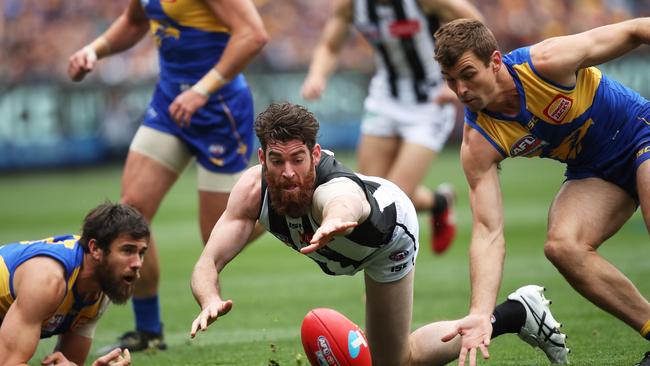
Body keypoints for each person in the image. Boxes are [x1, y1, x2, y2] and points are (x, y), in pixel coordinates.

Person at [188, 102, 569, 365]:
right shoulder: (252, 192)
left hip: (389, 238)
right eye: (277, 160)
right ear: (261, 159)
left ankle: (515, 313)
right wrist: (209, 299)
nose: (288, 172)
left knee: (395, 362)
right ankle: (522, 312)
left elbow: (343, 198)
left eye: (298, 159)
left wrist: (337, 219)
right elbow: (209, 261)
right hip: (346, 238)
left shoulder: (330, 187)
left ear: (315, 155)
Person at [432, 18, 650, 365]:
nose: (460, 90)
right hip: (593, 170)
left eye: (468, 74)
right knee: (563, 246)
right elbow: (488, 231)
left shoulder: (547, 62)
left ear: (495, 61)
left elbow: (635, 31)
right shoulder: (478, 141)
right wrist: (479, 311)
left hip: (641, 130)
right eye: (450, 80)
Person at [67, 0, 268, 352]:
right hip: (169, 103)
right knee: (132, 210)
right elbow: (134, 21)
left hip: (219, 110)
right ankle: (148, 330)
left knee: (215, 233)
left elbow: (254, 35)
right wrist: (94, 50)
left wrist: (202, 90)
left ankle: (285, 208)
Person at [301, 0, 483, 254]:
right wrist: (317, 75)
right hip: (385, 97)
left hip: (429, 101)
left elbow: (476, 27)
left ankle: (381, 287)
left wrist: (456, 79)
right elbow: (330, 45)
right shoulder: (352, 4)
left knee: (392, 202)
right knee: (366, 194)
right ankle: (439, 202)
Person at [0, 202, 150, 366]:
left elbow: (69, 362)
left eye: (141, 253)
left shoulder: (101, 287)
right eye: (127, 250)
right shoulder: (49, 281)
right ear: (95, 249)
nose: (138, 263)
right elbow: (8, 363)